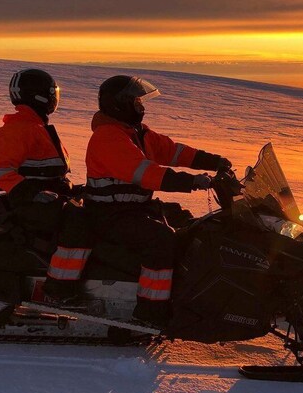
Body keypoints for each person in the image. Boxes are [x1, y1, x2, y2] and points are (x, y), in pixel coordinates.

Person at [84, 75, 232, 328]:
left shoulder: (135, 133)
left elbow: (172, 151)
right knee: (161, 239)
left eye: (141, 101)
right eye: (136, 101)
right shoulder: (108, 137)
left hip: (132, 209)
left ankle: (185, 292)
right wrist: (193, 182)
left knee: (188, 223)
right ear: (120, 104)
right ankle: (150, 311)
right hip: (108, 215)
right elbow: (146, 173)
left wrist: (214, 161)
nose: (141, 106)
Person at [0, 69, 92, 301]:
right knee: (79, 222)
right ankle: (60, 286)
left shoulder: (36, 127)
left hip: (47, 199)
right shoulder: (18, 130)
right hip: (29, 204)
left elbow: (49, 172)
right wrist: (33, 193)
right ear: (39, 96)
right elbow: (0, 171)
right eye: (52, 92)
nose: (55, 97)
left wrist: (76, 189)